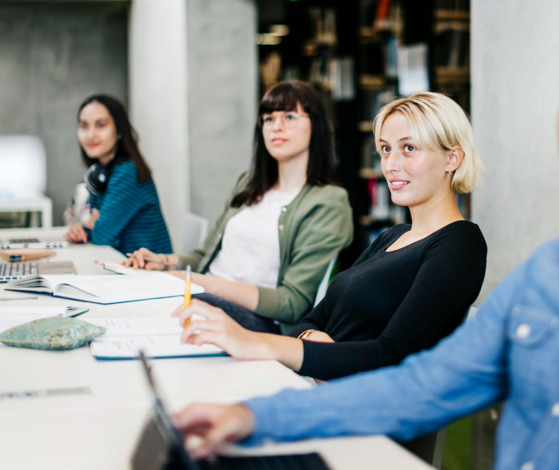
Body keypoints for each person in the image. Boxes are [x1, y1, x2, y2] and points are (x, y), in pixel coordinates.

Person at [173, 0, 559, 467]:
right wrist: (252, 417)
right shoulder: (546, 277)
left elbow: (389, 357)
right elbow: (419, 386)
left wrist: (258, 346)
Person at [171, 91, 487, 382]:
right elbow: (311, 319)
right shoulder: (392, 237)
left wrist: (252, 342)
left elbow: (389, 356)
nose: (390, 165)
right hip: (314, 383)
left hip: (351, 410)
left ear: (452, 159)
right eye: (386, 150)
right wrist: (314, 342)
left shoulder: (460, 243)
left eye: (409, 149)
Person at [124, 80, 354, 334]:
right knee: (138, 296)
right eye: (268, 118)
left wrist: (200, 284)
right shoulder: (250, 183)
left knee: (159, 306)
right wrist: (164, 262)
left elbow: (292, 304)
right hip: (208, 297)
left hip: (260, 322)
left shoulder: (328, 202)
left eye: (289, 116)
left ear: (317, 125)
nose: (276, 126)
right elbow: (204, 257)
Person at [64, 94, 172, 255]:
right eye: (84, 126)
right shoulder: (101, 172)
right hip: (123, 265)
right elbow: (98, 227)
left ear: (119, 131)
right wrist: (85, 228)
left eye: (100, 125)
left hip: (148, 272)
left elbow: (102, 237)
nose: (90, 134)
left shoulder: (127, 173)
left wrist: (92, 226)